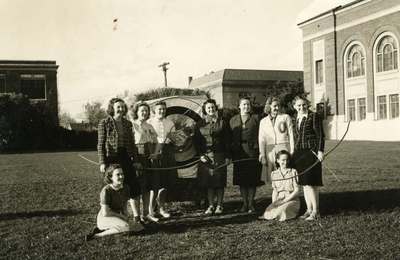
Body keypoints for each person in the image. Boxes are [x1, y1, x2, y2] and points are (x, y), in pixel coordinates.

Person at [97, 97, 142, 222]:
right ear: (112, 108)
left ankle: (137, 217)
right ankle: (112, 217)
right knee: (113, 188)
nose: (121, 109)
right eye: (118, 107)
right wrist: (102, 162)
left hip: (126, 157)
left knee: (133, 187)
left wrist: (136, 161)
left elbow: (132, 145)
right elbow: (100, 144)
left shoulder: (127, 124)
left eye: (123, 107)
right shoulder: (104, 123)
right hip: (111, 158)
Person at [194, 99, 231, 215]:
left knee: (219, 182)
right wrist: (200, 155)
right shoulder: (200, 124)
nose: (211, 109)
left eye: (213, 107)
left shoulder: (223, 122)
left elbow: (227, 140)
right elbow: (196, 142)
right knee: (209, 182)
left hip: (220, 155)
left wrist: (228, 156)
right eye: (208, 108)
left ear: (216, 108)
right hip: (206, 156)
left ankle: (220, 205)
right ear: (205, 110)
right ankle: (210, 205)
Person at [86, 164, 142, 240]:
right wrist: (121, 217)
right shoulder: (106, 190)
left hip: (116, 216)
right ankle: (97, 235)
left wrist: (126, 216)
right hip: (105, 217)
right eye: (118, 175)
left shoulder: (126, 188)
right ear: (111, 177)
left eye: (122, 174)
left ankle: (107, 229)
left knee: (139, 228)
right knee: (126, 227)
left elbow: (124, 204)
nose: (121, 177)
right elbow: (106, 213)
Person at [291, 95, 325, 221]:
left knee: (312, 183)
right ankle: (309, 209)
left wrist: (320, 151)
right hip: (300, 153)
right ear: (294, 107)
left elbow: (320, 135)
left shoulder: (314, 116)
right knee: (304, 184)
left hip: (312, 152)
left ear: (307, 105)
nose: (301, 107)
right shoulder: (296, 118)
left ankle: (316, 212)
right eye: (299, 105)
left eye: (304, 105)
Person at [229, 97, 262, 213]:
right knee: (242, 180)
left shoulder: (256, 119)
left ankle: (251, 204)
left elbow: (261, 135)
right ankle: (245, 203)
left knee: (252, 179)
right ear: (239, 106)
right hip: (238, 152)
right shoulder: (232, 120)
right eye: (243, 104)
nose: (246, 107)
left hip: (252, 152)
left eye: (248, 104)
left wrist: (260, 151)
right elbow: (229, 138)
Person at [131, 101, 160, 223]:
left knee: (147, 188)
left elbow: (156, 142)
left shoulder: (150, 126)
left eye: (146, 111)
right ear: (136, 112)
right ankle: (136, 216)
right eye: (142, 110)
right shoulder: (132, 125)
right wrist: (134, 159)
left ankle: (146, 214)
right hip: (137, 157)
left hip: (149, 157)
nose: (144, 112)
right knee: (137, 188)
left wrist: (155, 153)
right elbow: (130, 144)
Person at [147, 101, 177, 218]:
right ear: (155, 111)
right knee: (154, 184)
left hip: (167, 154)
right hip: (154, 153)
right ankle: (150, 210)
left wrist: (172, 139)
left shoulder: (170, 123)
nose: (162, 111)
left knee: (164, 183)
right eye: (159, 109)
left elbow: (175, 139)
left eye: (164, 109)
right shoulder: (149, 122)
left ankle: (161, 209)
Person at [258, 97, 294, 183]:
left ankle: (288, 195)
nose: (277, 108)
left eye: (278, 106)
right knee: (273, 176)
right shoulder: (263, 121)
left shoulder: (285, 117)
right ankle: (277, 195)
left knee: (286, 174)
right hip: (269, 150)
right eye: (274, 106)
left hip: (283, 148)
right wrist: (262, 155)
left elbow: (291, 134)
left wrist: (292, 150)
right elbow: (261, 139)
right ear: (269, 106)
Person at [259, 150, 300, 221]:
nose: (285, 162)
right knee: (268, 212)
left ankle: (282, 213)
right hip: (279, 199)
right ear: (278, 160)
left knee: (282, 211)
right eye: (283, 160)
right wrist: (274, 203)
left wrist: (285, 200)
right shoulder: (274, 174)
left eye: (287, 160)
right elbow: (275, 191)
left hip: (291, 199)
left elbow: (296, 190)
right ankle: (275, 214)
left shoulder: (293, 172)